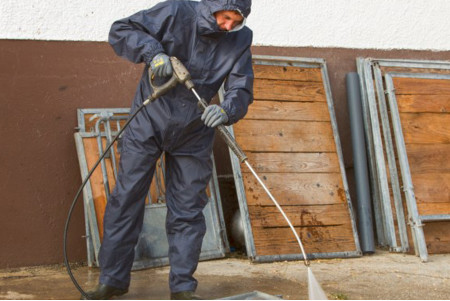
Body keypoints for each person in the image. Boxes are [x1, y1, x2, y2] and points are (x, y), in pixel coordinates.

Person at [83, 0, 253, 299]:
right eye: (225, 17)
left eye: (235, 21)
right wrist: (154, 51)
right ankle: (112, 280)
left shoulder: (239, 38)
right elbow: (122, 29)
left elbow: (241, 85)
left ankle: (183, 288)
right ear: (212, 7)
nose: (228, 26)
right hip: (149, 123)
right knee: (127, 200)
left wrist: (227, 110)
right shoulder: (176, 12)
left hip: (194, 131)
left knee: (188, 209)